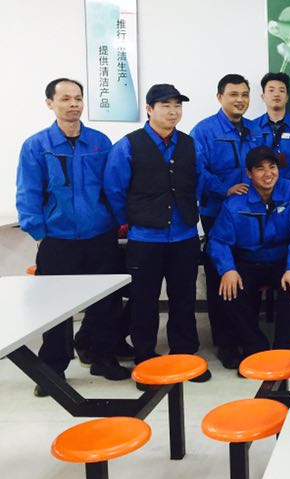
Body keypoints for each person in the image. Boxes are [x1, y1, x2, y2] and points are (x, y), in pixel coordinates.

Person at [16, 78, 130, 395]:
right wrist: (39, 232)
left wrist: (118, 221)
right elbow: (28, 192)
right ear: (50, 103)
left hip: (100, 235)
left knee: (106, 302)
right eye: (65, 98)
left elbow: (113, 186)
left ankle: (103, 358)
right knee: (56, 307)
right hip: (58, 239)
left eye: (78, 98)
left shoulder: (99, 142)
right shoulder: (36, 146)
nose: (74, 104)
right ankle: (53, 368)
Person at [104, 84, 210, 382]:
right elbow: (114, 189)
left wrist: (185, 209)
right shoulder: (128, 146)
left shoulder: (190, 145)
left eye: (177, 105)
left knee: (183, 299)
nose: (173, 111)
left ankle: (185, 356)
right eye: (165, 105)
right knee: (144, 301)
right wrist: (131, 220)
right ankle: (145, 360)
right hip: (145, 239)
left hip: (184, 237)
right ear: (149, 109)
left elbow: (199, 182)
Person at [209, 146, 290, 353]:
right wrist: (228, 269)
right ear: (249, 173)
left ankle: (285, 349)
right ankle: (255, 347)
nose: (268, 173)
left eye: (272, 167)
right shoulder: (235, 203)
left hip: (282, 261)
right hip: (248, 262)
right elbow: (219, 240)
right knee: (231, 292)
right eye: (260, 168)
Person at [190, 74, 260, 370]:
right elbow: (198, 171)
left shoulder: (256, 129)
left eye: (244, 94)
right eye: (233, 94)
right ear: (220, 97)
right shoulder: (204, 131)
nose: (240, 100)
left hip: (251, 214)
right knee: (221, 275)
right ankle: (225, 343)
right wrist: (225, 189)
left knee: (247, 274)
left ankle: (248, 336)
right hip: (217, 212)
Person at [255, 72, 290, 184]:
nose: (276, 94)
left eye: (281, 91)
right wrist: (265, 185)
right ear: (263, 97)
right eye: (271, 90)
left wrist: (285, 185)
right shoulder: (253, 127)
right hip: (260, 188)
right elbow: (249, 162)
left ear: (287, 97)